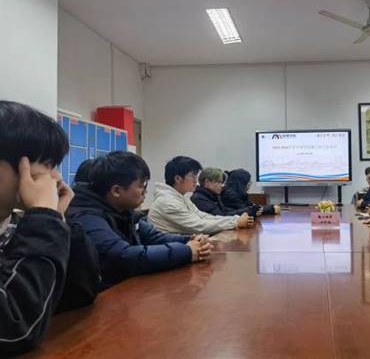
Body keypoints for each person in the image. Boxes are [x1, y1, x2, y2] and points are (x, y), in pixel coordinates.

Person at [66, 151, 212, 289]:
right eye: (141, 185)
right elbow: (124, 256)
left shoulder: (123, 211)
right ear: (116, 191)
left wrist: (190, 240)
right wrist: (187, 251)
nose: (145, 191)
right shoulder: (86, 217)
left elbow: (153, 236)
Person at [0, 101, 75, 356]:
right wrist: (44, 219)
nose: (54, 178)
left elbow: (76, 295)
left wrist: (56, 219)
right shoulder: (33, 223)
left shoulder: (15, 223)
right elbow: (15, 328)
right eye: (43, 165)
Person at [148, 157, 254, 236]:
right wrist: (235, 222)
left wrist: (235, 219)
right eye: (192, 176)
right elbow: (199, 226)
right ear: (178, 178)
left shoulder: (180, 198)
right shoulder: (167, 202)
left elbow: (202, 216)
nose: (196, 180)